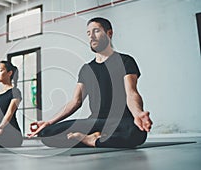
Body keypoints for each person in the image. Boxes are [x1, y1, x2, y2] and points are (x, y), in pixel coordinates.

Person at [28, 17, 153, 148]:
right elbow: (75, 101)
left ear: (109, 33)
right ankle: (98, 139)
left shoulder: (126, 61)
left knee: (137, 132)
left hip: (119, 122)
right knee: (47, 133)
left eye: (96, 31)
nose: (91, 37)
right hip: (94, 122)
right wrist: (49, 122)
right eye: (88, 33)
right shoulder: (86, 69)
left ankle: (90, 140)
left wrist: (138, 113)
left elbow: (131, 93)